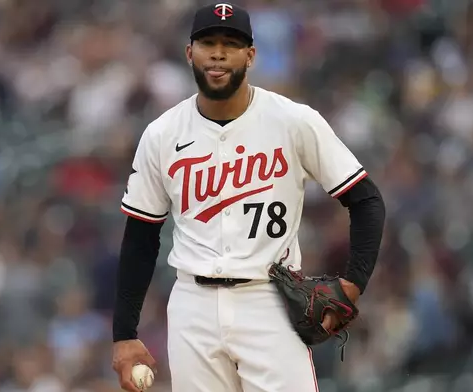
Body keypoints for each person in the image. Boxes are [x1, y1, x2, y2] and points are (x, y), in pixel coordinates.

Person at [111, 3, 385, 391]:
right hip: (193, 307)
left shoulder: (292, 120)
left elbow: (366, 200)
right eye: (208, 42)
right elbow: (140, 236)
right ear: (190, 53)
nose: (219, 52)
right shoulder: (161, 134)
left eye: (231, 43)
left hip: (270, 301)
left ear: (251, 55)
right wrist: (125, 333)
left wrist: (352, 283)